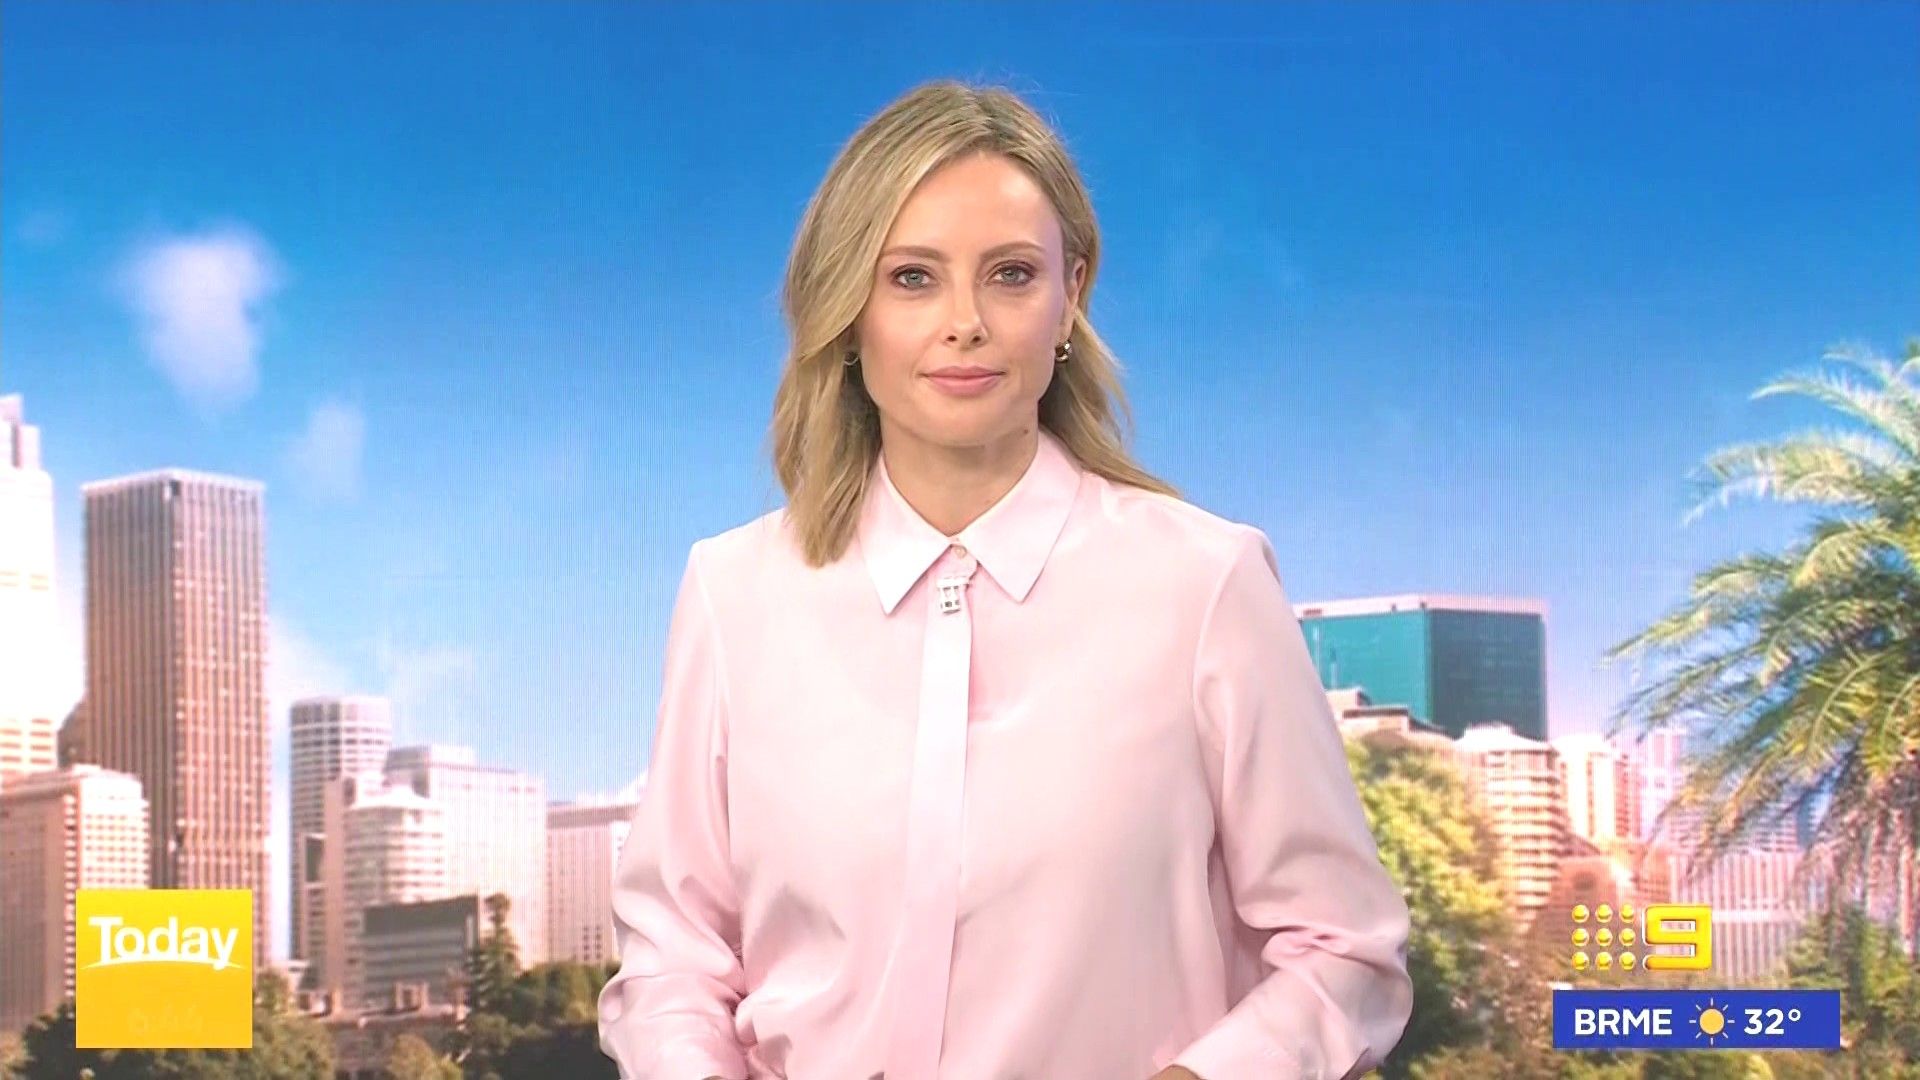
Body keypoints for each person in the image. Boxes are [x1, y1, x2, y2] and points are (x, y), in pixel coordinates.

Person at [596, 79, 1413, 1080]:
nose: (966, 323)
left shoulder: (1206, 585)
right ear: (848, 312)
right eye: (912, 278)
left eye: (1012, 275)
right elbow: (673, 963)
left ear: (1072, 294)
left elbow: (1346, 950)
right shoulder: (733, 593)